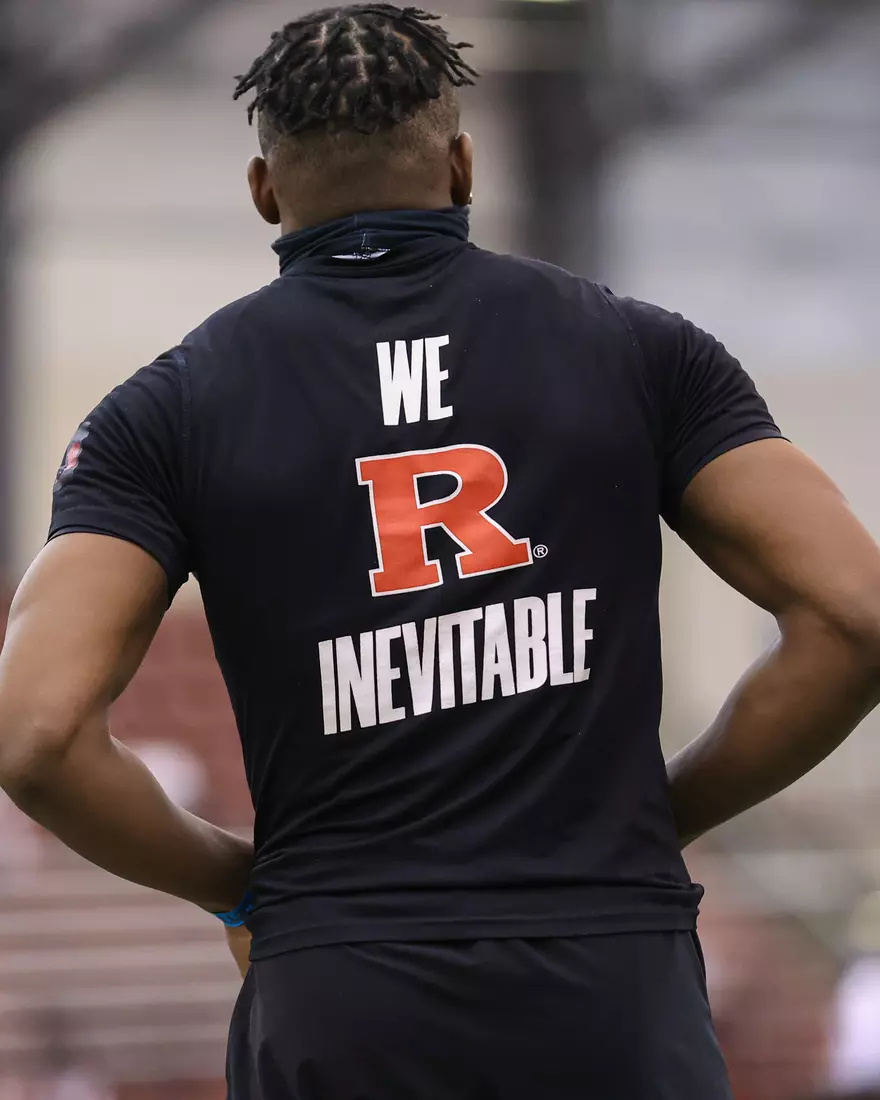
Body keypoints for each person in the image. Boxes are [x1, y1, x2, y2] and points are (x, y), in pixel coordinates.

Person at [1, 5, 880, 1098]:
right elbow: (855, 614)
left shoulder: (165, 412)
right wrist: (659, 813)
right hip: (606, 973)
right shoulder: (641, 351)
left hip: (340, 982)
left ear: (265, 192)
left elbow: (35, 734)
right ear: (462, 166)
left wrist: (239, 884)